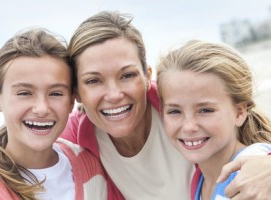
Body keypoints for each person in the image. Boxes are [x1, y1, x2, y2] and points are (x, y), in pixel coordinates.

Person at [61, 11, 271, 199]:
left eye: (127, 75)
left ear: (147, 77)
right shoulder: (73, 137)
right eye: (93, 81)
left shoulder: (179, 98)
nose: (114, 95)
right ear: (77, 92)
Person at [0, 28, 107, 200]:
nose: (42, 108)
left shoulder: (90, 166)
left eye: (56, 93)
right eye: (24, 93)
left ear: (72, 100)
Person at [155, 40, 271, 199]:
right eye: (175, 111)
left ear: (239, 113)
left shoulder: (253, 176)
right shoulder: (200, 181)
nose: (189, 126)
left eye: (205, 110)